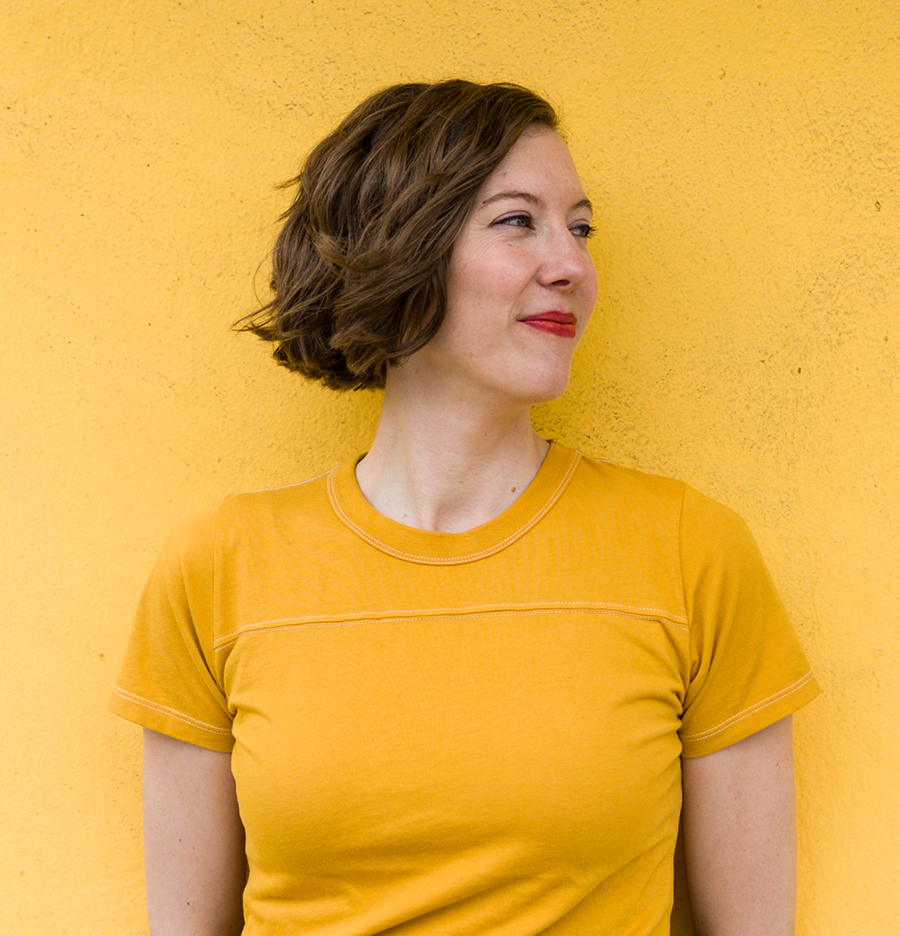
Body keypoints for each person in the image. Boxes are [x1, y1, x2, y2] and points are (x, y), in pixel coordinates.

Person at [111, 79, 819, 936]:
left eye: (581, 228)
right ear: (399, 248)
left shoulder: (688, 550)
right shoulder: (221, 566)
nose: (572, 265)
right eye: (518, 221)